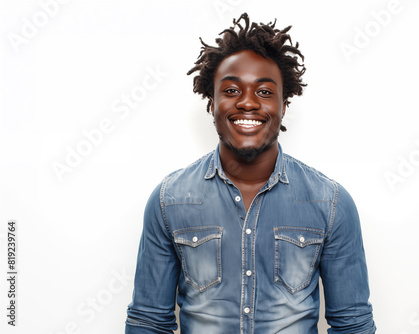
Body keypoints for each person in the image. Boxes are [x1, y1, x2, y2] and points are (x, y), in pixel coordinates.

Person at [125, 13, 376, 334]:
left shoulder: (331, 203)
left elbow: (352, 325)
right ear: (211, 102)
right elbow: (148, 322)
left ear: (284, 104)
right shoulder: (169, 200)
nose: (247, 103)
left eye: (264, 92)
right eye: (231, 90)